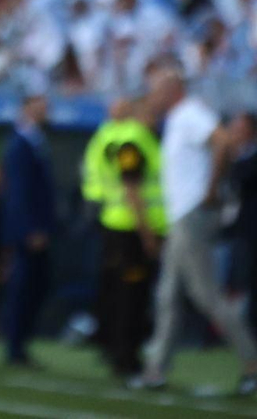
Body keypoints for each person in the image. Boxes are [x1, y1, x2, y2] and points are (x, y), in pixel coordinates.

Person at [132, 69, 257, 396]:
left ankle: (252, 363)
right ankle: (155, 368)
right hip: (181, 216)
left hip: (191, 215)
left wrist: (212, 189)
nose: (152, 98)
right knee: (168, 295)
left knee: (206, 295)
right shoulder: (176, 119)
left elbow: (224, 141)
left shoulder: (190, 113)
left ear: (172, 89)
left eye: (156, 91)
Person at [95, 100, 166, 378]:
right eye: (150, 111)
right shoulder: (133, 141)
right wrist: (146, 233)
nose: (155, 116)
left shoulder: (143, 140)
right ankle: (124, 356)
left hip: (131, 227)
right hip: (128, 229)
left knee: (131, 294)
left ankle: (124, 352)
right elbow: (132, 190)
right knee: (129, 295)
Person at [0, 91, 55, 367]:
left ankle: (19, 343)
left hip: (35, 227)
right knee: (24, 286)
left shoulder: (34, 140)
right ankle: (14, 345)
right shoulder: (21, 143)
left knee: (35, 285)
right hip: (28, 231)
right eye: (40, 105)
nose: (46, 110)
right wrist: (30, 228)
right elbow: (20, 191)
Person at [228, 112, 257, 344]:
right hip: (241, 230)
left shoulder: (247, 159)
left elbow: (240, 179)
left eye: (239, 129)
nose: (234, 134)